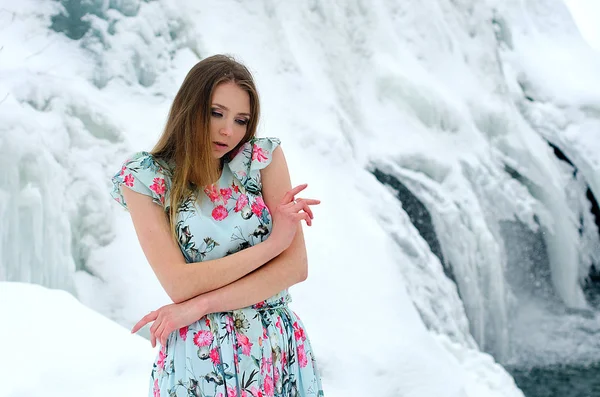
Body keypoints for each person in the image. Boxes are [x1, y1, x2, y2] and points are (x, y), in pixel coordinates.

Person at [109, 54, 324, 397]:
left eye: (241, 120)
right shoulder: (146, 178)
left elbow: (295, 268)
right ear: (190, 107)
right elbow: (179, 285)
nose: (229, 130)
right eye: (216, 113)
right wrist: (272, 246)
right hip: (201, 358)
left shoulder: (261, 160)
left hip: (273, 347)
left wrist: (202, 304)